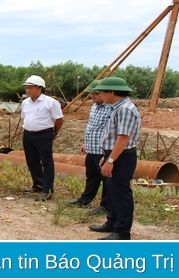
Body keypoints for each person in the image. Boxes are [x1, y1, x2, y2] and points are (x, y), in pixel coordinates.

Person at [88, 77, 141, 240]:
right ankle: (112, 222)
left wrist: (111, 160)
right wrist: (107, 156)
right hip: (114, 154)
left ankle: (122, 232)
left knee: (120, 193)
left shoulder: (124, 109)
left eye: (102, 92)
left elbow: (123, 138)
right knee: (112, 191)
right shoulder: (116, 107)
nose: (100, 95)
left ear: (111, 92)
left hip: (122, 156)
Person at [67, 80, 111, 215]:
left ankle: (106, 205)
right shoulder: (94, 107)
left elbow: (110, 131)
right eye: (91, 93)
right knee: (91, 176)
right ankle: (85, 199)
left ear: (101, 93)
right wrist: (86, 143)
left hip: (102, 150)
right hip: (92, 148)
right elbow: (92, 127)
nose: (91, 96)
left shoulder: (111, 108)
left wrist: (108, 154)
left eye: (94, 94)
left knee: (106, 179)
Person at [20, 75, 64, 201]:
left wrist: (54, 132)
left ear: (39, 89)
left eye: (30, 88)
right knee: (32, 160)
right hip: (28, 134)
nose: (27, 90)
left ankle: (47, 190)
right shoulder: (25, 102)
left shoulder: (51, 102)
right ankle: (38, 184)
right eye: (26, 88)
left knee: (46, 162)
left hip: (44, 134)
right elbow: (24, 117)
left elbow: (59, 119)